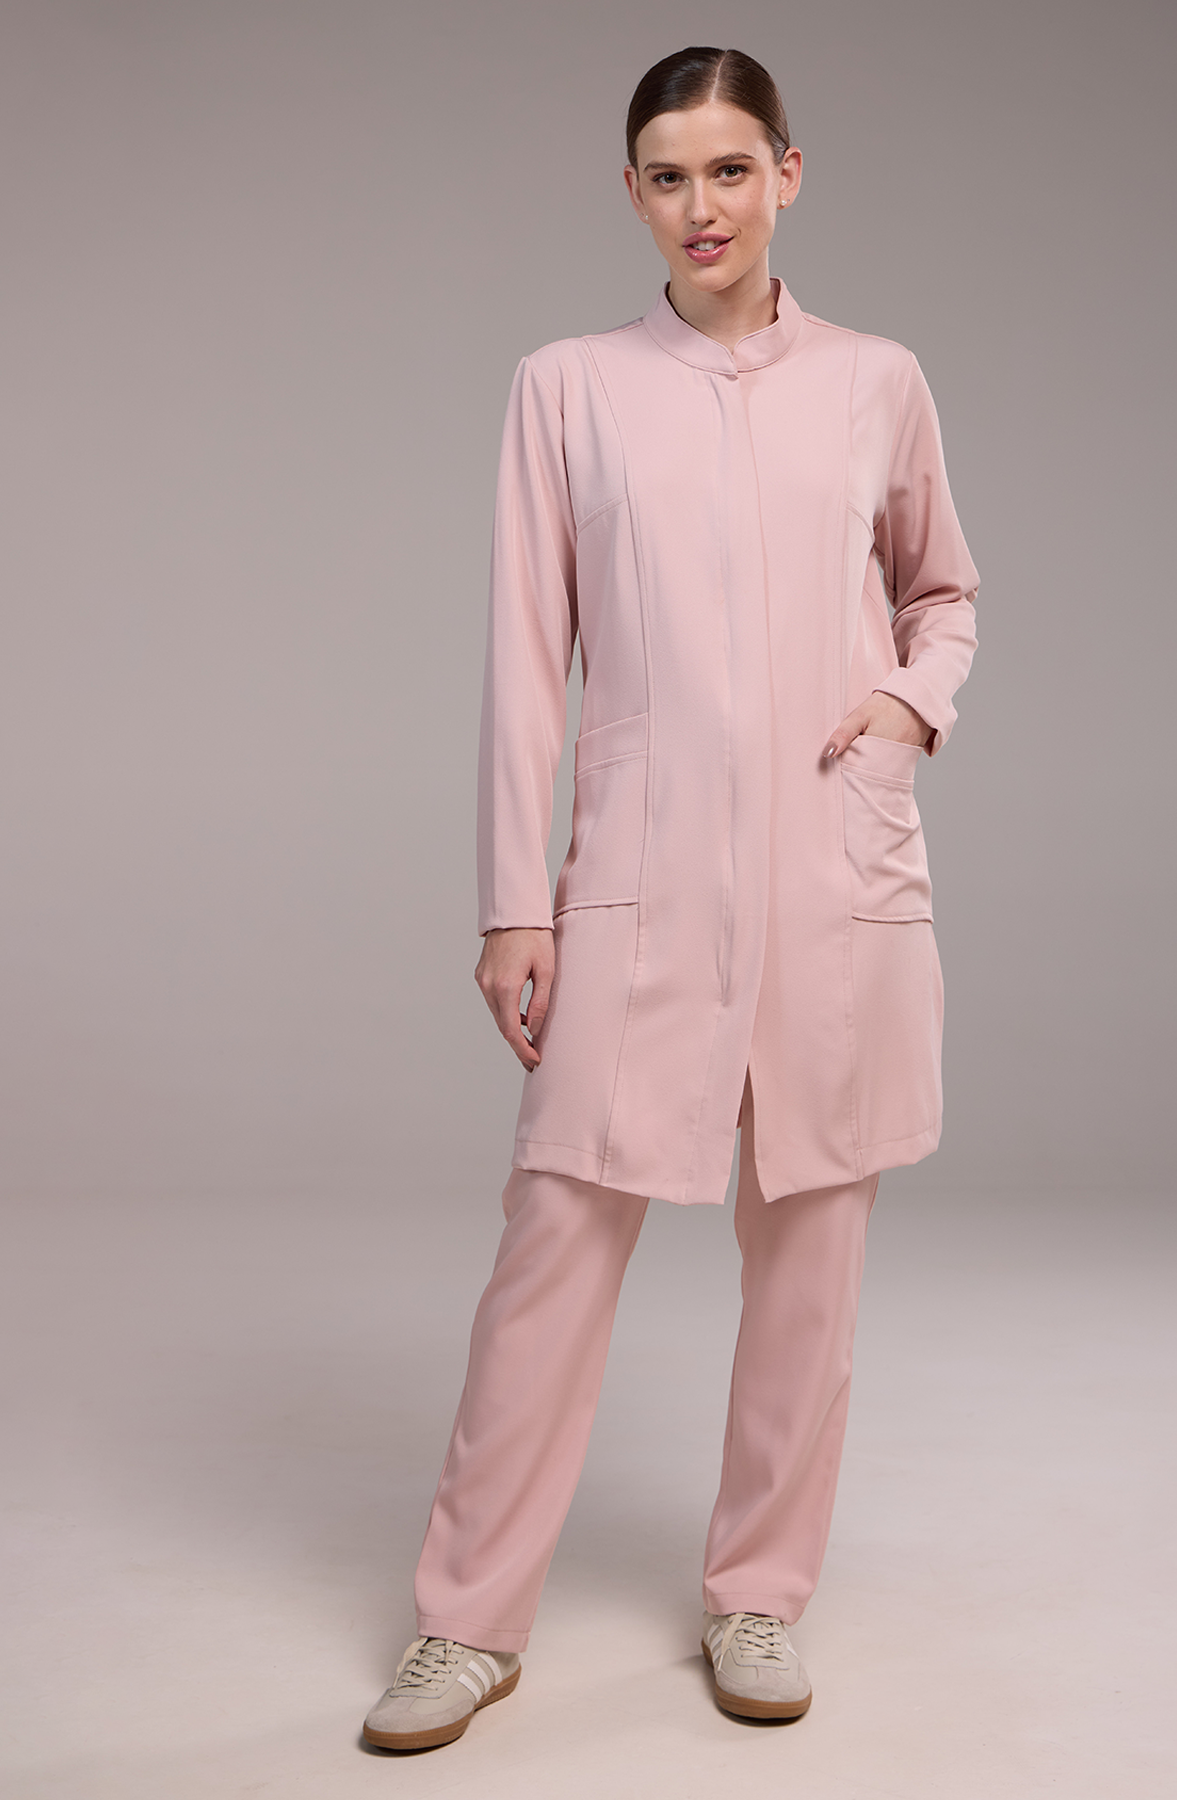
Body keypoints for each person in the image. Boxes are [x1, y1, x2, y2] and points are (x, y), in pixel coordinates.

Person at [362, 45, 979, 1752]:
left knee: (813, 1259)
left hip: (832, 873)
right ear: (630, 192)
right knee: (554, 1248)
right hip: (638, 879)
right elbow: (526, 659)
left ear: (789, 173)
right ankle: (466, 1623)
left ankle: (759, 1595)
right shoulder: (569, 388)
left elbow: (943, 593)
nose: (700, 206)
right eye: (665, 174)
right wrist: (516, 902)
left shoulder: (876, 381)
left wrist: (908, 707)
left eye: (728, 169)